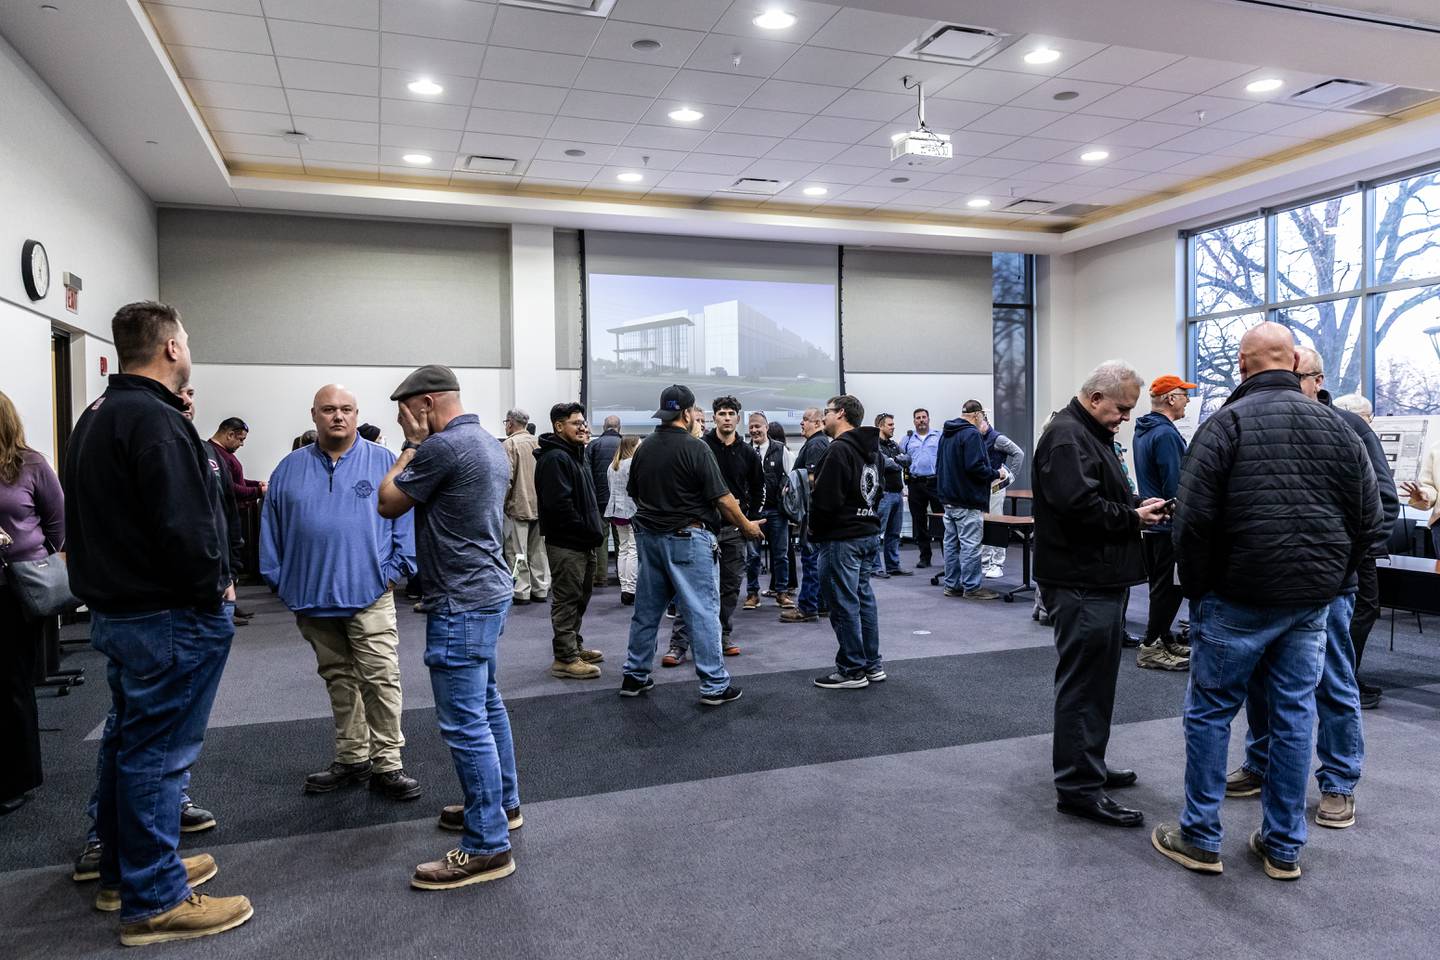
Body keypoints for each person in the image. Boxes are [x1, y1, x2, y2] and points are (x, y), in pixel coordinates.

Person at [1152, 324, 1382, 881]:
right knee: (1296, 716)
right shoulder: (1340, 427)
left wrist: (1202, 590)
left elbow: (1192, 522)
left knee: (1209, 714)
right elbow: (1370, 523)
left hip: (1236, 599)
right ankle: (1283, 846)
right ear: (1295, 363)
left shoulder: (1224, 424)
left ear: (1242, 365)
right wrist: (1330, 579)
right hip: (1310, 604)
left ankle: (1201, 836)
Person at [64, 301, 252, 945]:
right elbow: (186, 527)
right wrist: (216, 589)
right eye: (188, 338)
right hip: (168, 616)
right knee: (159, 754)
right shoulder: (157, 422)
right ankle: (154, 899)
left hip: (124, 612)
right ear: (171, 348)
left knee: (128, 743)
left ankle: (125, 870)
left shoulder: (97, 415)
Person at [1224, 346, 1396, 831]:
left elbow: (1382, 505)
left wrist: (1339, 565)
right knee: (1260, 682)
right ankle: (1260, 765)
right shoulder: (1260, 423)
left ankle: (1339, 783)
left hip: (1330, 587)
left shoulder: (1349, 428)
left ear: (1316, 380)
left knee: (1334, 682)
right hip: (1269, 582)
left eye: (1290, 376)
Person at [379, 365, 521, 890]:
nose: (404, 422)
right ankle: (501, 807)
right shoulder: (487, 442)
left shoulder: (438, 449)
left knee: (464, 723)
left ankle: (487, 845)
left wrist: (412, 445)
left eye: (405, 413)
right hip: (487, 590)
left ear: (424, 405)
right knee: (486, 705)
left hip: (460, 601)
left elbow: (387, 500)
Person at [261, 384, 419, 800]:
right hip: (311, 596)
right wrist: (279, 578)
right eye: (329, 409)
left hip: (369, 593)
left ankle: (389, 763)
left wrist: (394, 571)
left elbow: (405, 522)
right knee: (338, 678)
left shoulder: (383, 460)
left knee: (381, 678)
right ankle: (352, 757)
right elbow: (271, 530)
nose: (338, 417)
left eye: (346, 409)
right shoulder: (289, 467)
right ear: (314, 414)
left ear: (356, 414)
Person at [1034, 360, 1168, 831]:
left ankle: (1087, 766)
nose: (1126, 417)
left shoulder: (1087, 434)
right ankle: (1077, 788)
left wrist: (1134, 505)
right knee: (1084, 687)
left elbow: (1096, 494)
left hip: (1095, 578)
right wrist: (1132, 518)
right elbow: (1078, 509)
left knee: (1097, 684)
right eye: (1122, 408)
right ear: (1095, 399)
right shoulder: (1068, 436)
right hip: (1080, 581)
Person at [618, 385, 763, 706]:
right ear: (686, 414)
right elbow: (723, 499)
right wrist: (748, 526)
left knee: (646, 611)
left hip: (649, 539)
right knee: (703, 612)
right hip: (687, 539)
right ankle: (714, 685)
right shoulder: (696, 448)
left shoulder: (643, 448)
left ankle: (635, 675)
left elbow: (635, 493)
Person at [0, 390, 64, 816]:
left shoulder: (30, 464)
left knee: (10, 683)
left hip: (14, 586)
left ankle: (15, 777)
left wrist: (37, 559)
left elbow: (59, 524)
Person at [664, 396, 762, 665]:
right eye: (722, 413)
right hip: (701, 529)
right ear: (713, 417)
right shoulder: (699, 447)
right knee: (692, 589)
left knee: (729, 589)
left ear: (738, 419)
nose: (727, 417)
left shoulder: (748, 454)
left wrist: (748, 518)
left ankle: (722, 637)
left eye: (731, 413)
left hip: (734, 531)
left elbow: (758, 488)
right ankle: (678, 645)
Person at [810, 396, 885, 689]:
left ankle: (852, 669)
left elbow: (825, 501)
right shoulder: (873, 451)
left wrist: (813, 533)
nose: (823, 418)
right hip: (867, 533)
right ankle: (872, 664)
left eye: (826, 412)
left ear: (840, 413)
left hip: (842, 538)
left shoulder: (838, 450)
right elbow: (877, 491)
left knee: (843, 604)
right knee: (863, 599)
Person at [534, 402, 606, 680]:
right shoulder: (555, 459)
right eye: (576, 423)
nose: (583, 427)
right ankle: (565, 658)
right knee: (567, 600)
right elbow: (560, 507)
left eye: (583, 422)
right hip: (567, 543)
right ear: (559, 426)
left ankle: (573, 647)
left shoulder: (575, 454)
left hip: (581, 541)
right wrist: (585, 531)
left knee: (580, 598)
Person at [1131, 375, 1196, 672]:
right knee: (1168, 589)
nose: (1188, 400)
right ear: (1170, 398)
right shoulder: (1167, 435)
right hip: (1168, 523)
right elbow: (1175, 484)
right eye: (1184, 395)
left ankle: (1163, 638)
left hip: (1153, 523)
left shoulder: (1144, 430)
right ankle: (1152, 646)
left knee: (1162, 587)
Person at [936, 402, 1000, 601]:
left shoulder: (946, 434)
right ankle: (972, 587)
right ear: (977, 414)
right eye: (983, 415)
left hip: (949, 500)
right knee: (971, 545)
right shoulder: (971, 434)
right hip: (968, 499)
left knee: (951, 545)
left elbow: (939, 464)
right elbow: (975, 467)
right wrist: (996, 473)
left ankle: (952, 585)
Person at [780, 407, 831, 624]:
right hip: (812, 513)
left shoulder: (816, 444)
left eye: (805, 420)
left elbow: (813, 481)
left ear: (818, 423)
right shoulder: (817, 443)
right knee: (816, 560)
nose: (802, 423)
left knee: (811, 560)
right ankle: (820, 604)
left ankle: (808, 607)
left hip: (811, 513)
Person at [745, 411, 795, 608]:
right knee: (753, 557)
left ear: (766, 427)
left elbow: (791, 478)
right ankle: (752, 594)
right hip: (752, 514)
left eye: (758, 426)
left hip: (777, 512)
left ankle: (782, 593)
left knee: (780, 555)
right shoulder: (745, 451)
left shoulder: (781, 450)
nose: (755, 430)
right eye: (752, 427)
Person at [500, 409, 549, 605]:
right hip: (541, 506)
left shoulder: (509, 444)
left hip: (518, 506)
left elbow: (506, 479)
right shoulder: (539, 443)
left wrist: (502, 504)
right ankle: (541, 588)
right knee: (539, 551)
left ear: (511, 423)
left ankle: (521, 591)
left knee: (517, 552)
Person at [975, 406, 1024, 579]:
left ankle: (997, 563)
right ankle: (985, 562)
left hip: (995, 483)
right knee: (983, 524)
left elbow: (1019, 453)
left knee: (996, 523)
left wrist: (1011, 476)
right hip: (982, 484)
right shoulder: (977, 437)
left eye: (978, 422)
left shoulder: (998, 439)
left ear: (985, 421)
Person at [900, 408, 942, 568]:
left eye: (924, 417)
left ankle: (948, 557)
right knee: (919, 521)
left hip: (935, 483)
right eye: (918, 418)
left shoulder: (938, 436)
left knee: (941, 520)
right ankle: (925, 556)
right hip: (915, 484)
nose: (921, 420)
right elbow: (900, 461)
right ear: (914, 421)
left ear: (929, 419)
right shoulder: (907, 439)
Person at [871, 413, 912, 578]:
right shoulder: (874, 445)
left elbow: (908, 459)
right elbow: (884, 463)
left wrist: (896, 460)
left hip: (897, 494)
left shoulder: (894, 445)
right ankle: (875, 567)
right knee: (876, 533)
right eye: (890, 424)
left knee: (894, 533)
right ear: (881, 426)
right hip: (884, 494)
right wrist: (897, 461)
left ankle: (893, 565)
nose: (893, 427)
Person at [585, 415, 623, 588]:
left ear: (604, 427)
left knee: (601, 538)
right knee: (622, 539)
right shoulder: (627, 444)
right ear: (619, 428)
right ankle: (623, 575)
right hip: (622, 501)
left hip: (599, 499)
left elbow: (586, 474)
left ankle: (600, 576)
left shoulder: (593, 445)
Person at [605, 436, 642, 605]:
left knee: (623, 549)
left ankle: (625, 588)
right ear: (632, 447)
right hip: (633, 511)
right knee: (633, 549)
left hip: (616, 512)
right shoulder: (633, 464)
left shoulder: (612, 466)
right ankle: (632, 589)